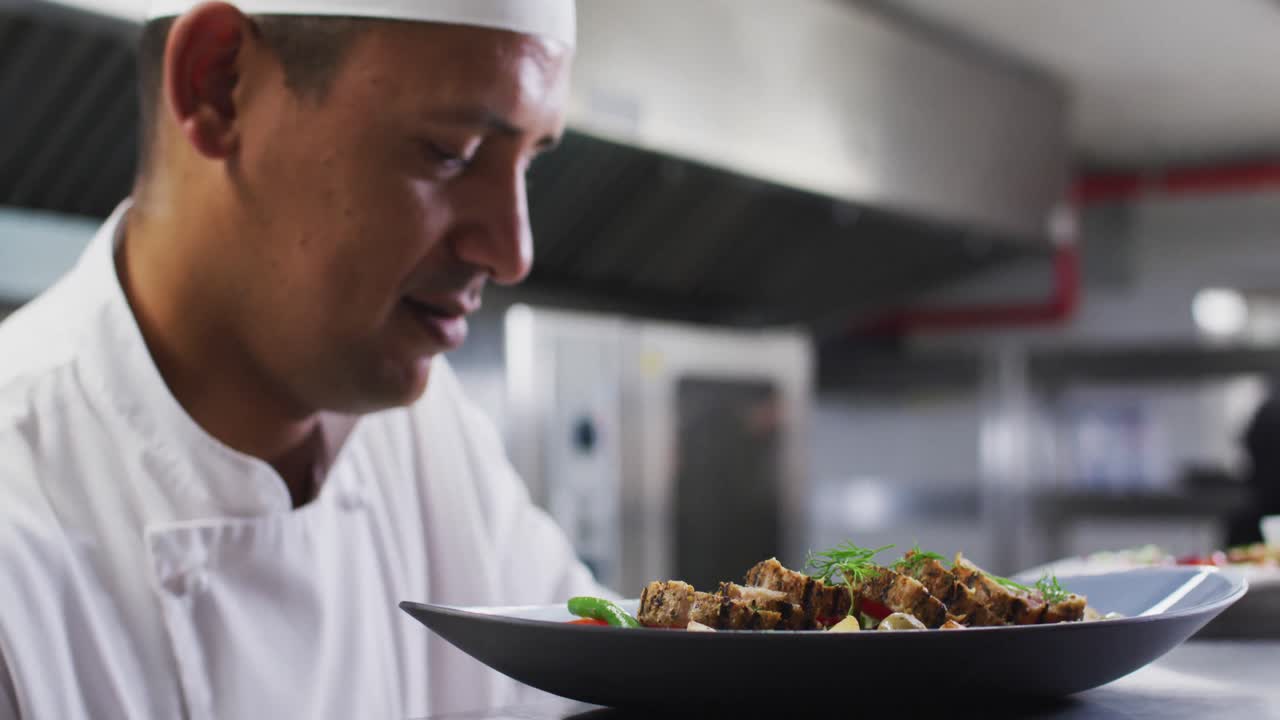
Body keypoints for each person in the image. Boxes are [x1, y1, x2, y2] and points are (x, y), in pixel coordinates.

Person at [0, 1, 604, 718]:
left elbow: (598, 684)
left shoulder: (434, 440)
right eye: (452, 153)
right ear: (218, 83)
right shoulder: (19, 522)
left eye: (529, 162)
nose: (512, 253)